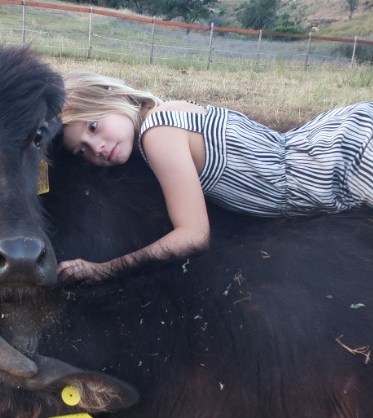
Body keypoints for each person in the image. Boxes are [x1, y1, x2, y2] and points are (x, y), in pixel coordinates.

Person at [57, 71, 373, 284]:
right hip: (335, 137)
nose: (96, 148)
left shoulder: (158, 134)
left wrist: (103, 269)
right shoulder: (170, 110)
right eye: (81, 151)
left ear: (115, 96)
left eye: (93, 126)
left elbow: (194, 236)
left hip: (342, 161)